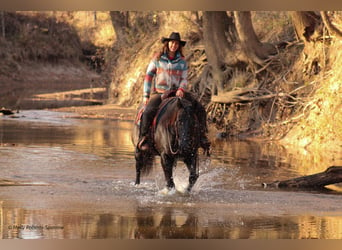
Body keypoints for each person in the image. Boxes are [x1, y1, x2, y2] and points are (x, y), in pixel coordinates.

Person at [137, 32, 210, 153]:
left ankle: (202, 137)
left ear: (179, 46)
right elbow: (148, 76)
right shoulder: (157, 58)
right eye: (172, 42)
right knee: (148, 111)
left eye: (176, 43)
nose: (174, 45)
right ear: (167, 43)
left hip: (177, 92)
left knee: (200, 108)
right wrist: (146, 95)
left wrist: (181, 89)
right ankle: (144, 138)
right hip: (160, 93)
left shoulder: (182, 61)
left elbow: (185, 79)